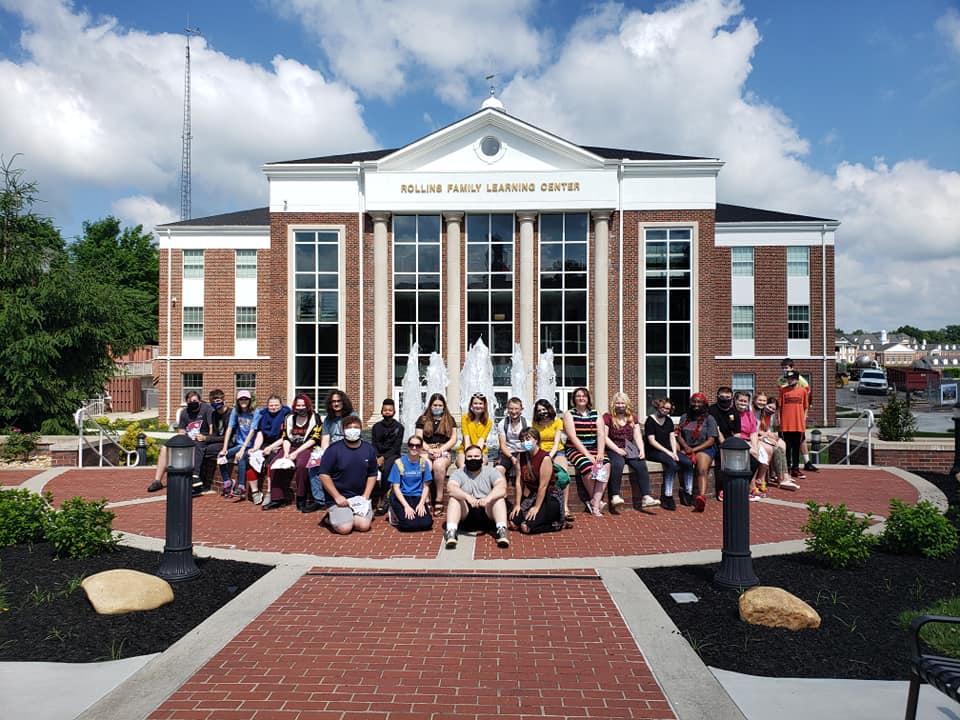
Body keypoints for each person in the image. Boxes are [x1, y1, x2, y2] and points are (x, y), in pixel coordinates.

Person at [316, 415, 378, 534]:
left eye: (356, 427)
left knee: (364, 526)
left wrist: (366, 495)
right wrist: (337, 496)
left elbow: (372, 473)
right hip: (339, 498)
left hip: (359, 498)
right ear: (343, 430)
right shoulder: (333, 450)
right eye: (349, 427)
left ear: (361, 429)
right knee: (345, 529)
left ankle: (348, 515)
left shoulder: (368, 449)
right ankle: (329, 518)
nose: (353, 430)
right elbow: (323, 474)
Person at [146, 390, 214, 493]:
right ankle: (157, 481)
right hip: (187, 439)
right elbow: (181, 431)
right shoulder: (184, 413)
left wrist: (207, 437)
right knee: (165, 448)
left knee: (197, 446)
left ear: (199, 401)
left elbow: (211, 428)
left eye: (194, 400)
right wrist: (181, 442)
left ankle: (195, 476)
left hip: (201, 438)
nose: (192, 403)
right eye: (190, 401)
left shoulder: (206, 409)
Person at [263, 393, 322, 511]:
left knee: (302, 466)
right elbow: (286, 437)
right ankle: (277, 499)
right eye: (298, 405)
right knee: (275, 464)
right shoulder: (289, 418)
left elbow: (314, 438)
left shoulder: (315, 417)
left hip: (307, 448)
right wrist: (285, 453)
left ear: (308, 405)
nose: (300, 408)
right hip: (290, 447)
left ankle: (301, 498)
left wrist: (296, 453)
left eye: (303, 405)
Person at [444, 444, 510, 548]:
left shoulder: (491, 471)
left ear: (482, 458)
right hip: (467, 514)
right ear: (465, 458)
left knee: (499, 498)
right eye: (469, 457)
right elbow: (451, 488)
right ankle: (451, 532)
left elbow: (502, 487)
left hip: (487, 511)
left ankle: (501, 530)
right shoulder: (458, 473)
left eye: (476, 456)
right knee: (454, 498)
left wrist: (488, 498)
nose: (473, 459)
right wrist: (467, 497)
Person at [603, 392, 660, 511]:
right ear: (614, 404)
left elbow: (637, 436)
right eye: (618, 403)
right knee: (617, 464)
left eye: (622, 403)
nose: (620, 405)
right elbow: (604, 437)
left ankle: (646, 497)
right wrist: (617, 449)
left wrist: (641, 450)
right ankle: (615, 496)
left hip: (629, 447)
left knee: (641, 464)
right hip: (613, 447)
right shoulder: (608, 417)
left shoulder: (632, 418)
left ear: (626, 404)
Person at [562, 387, 609, 517]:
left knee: (605, 465)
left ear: (588, 398)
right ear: (574, 399)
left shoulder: (595, 413)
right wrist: (587, 455)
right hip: (575, 449)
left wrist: (600, 453)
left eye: (584, 396)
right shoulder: (569, 414)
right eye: (578, 396)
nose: (581, 398)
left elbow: (601, 433)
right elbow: (573, 437)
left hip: (594, 448)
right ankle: (596, 505)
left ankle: (594, 502)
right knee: (588, 468)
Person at [508, 427, 564, 534]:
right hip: (533, 495)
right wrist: (517, 504)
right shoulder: (521, 456)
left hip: (549, 496)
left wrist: (536, 507)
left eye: (528, 439)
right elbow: (519, 482)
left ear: (536, 440)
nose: (525, 442)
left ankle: (555, 525)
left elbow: (543, 486)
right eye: (522, 440)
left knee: (525, 527)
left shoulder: (544, 458)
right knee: (513, 523)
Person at [644, 397, 692, 511]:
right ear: (658, 407)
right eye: (663, 408)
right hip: (654, 451)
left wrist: (675, 452)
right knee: (672, 464)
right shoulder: (650, 420)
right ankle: (667, 496)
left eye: (668, 409)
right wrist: (669, 453)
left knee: (688, 462)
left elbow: (672, 437)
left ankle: (688, 492)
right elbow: (652, 441)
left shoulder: (669, 420)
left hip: (669, 450)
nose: (665, 411)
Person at [415, 393, 459, 515]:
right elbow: (418, 438)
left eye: (440, 405)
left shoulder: (450, 419)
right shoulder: (422, 419)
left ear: (444, 406)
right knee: (425, 465)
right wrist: (429, 450)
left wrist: (441, 450)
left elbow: (454, 439)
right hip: (425, 450)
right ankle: (426, 498)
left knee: (439, 466)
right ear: (430, 406)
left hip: (443, 450)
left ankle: (439, 498)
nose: (437, 407)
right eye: (435, 405)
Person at [676, 392, 718, 512]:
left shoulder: (709, 419)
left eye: (699, 402)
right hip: (686, 447)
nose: (696, 404)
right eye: (694, 401)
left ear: (704, 404)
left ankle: (701, 497)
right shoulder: (685, 417)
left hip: (703, 448)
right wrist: (685, 446)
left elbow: (711, 440)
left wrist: (692, 450)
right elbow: (678, 434)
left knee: (701, 469)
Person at [532, 398, 573, 520]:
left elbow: (556, 443)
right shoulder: (535, 424)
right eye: (539, 410)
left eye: (544, 409)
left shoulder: (557, 421)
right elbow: (536, 441)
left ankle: (565, 506)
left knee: (563, 474)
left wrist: (549, 456)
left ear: (549, 409)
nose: (542, 412)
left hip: (557, 451)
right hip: (541, 452)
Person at [247, 394, 291, 505]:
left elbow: (285, 436)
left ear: (281, 405)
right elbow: (260, 434)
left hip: (281, 444)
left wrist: (271, 448)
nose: (273, 407)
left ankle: (270, 492)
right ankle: (255, 492)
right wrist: (255, 448)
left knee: (271, 463)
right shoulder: (264, 415)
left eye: (276, 405)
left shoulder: (287, 415)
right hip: (266, 443)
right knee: (251, 460)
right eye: (271, 405)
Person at [778, 358, 819, 472]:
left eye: (786, 368)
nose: (784, 370)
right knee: (788, 445)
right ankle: (787, 466)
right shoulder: (781, 382)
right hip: (787, 420)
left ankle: (805, 463)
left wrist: (804, 415)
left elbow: (806, 396)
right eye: (783, 368)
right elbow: (781, 402)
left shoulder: (802, 381)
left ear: (792, 367)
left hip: (798, 419)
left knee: (800, 441)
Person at [386, 435, 433, 532]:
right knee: (408, 526)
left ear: (421, 448)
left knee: (427, 524)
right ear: (407, 446)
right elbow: (396, 487)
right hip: (402, 496)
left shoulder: (424, 463)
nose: (414, 448)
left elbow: (426, 486)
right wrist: (406, 506)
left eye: (417, 445)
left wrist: (421, 503)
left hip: (417, 496)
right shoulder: (399, 463)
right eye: (411, 445)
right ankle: (393, 511)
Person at [218, 390, 257, 499]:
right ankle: (228, 482)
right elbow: (229, 428)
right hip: (240, 444)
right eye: (241, 399)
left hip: (251, 445)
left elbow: (252, 431)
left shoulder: (255, 412)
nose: (243, 401)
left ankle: (241, 487)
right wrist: (224, 448)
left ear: (250, 400)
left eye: (245, 399)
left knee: (241, 457)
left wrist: (242, 449)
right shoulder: (236, 411)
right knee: (221, 457)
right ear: (238, 400)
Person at [753, 392, 794, 490]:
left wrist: (770, 435)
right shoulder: (755, 413)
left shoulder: (769, 416)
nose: (770, 410)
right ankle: (780, 477)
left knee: (781, 443)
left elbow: (768, 430)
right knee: (774, 447)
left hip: (762, 437)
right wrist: (767, 435)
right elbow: (755, 430)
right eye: (769, 407)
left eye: (773, 409)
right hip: (756, 438)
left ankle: (782, 474)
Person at [371, 398, 404, 515]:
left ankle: (385, 498)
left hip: (392, 455)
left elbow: (396, 447)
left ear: (394, 412)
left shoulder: (399, 427)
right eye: (385, 410)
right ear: (381, 411)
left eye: (390, 410)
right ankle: (368, 498)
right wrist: (376, 457)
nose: (387, 412)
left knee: (386, 469)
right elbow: (374, 444)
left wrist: (382, 458)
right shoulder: (376, 427)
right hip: (378, 455)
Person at [732, 390, 765, 501]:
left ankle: (753, 484)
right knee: (753, 457)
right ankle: (748, 487)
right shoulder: (732, 413)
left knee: (760, 453)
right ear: (735, 400)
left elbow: (753, 432)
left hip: (749, 441)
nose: (743, 403)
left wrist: (754, 446)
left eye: (745, 401)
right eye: (740, 400)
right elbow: (734, 434)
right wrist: (749, 447)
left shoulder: (749, 414)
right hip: (736, 442)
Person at [708, 386, 740, 499]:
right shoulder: (712, 410)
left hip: (730, 441)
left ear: (731, 398)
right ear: (717, 397)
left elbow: (737, 433)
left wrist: (736, 446)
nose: (725, 399)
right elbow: (715, 429)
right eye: (722, 397)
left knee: (751, 460)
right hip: (715, 441)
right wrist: (725, 445)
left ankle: (741, 486)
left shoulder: (734, 412)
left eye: (727, 397)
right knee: (722, 460)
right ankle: (721, 489)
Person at [778, 370, 810, 483]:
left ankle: (796, 469)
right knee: (786, 449)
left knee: (796, 448)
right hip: (786, 425)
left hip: (798, 425)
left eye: (792, 379)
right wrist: (779, 421)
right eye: (788, 379)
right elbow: (780, 408)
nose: (790, 381)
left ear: (797, 379)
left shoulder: (803, 391)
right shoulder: (783, 391)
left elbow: (806, 407)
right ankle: (787, 469)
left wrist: (803, 419)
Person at [494, 396, 527, 483]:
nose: (514, 411)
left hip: (522, 451)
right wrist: (511, 457)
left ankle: (522, 495)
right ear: (507, 409)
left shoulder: (526, 423)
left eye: (516, 409)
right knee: (498, 470)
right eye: (511, 409)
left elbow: (529, 442)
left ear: (521, 409)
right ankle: (503, 494)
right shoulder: (502, 424)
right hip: (507, 452)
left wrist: (523, 455)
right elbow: (503, 445)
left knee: (521, 469)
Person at [457, 392, 493, 467]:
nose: (478, 406)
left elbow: (481, 440)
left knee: (481, 465)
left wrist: (475, 456)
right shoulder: (465, 418)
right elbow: (466, 438)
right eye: (475, 403)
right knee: (463, 466)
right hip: (464, 450)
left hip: (481, 451)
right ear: (471, 405)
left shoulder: (488, 422)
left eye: (480, 403)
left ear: (484, 406)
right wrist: (469, 456)